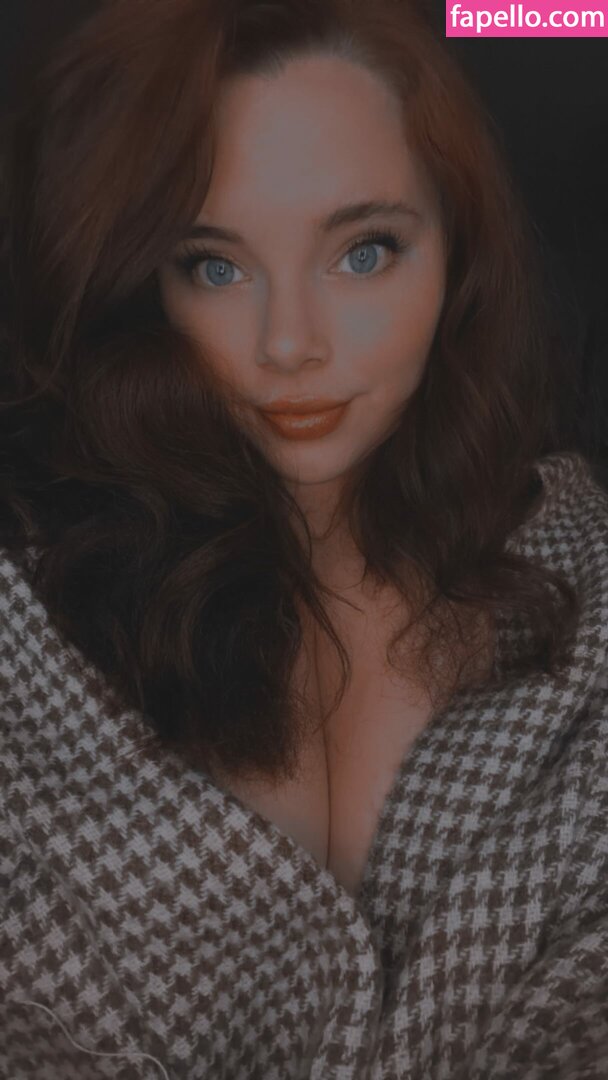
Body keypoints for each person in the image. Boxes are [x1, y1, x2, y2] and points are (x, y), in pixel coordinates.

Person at [1, 0, 607, 1077]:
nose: (290, 344)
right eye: (214, 267)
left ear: (459, 253)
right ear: (139, 287)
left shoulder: (587, 592)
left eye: (363, 252)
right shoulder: (27, 633)